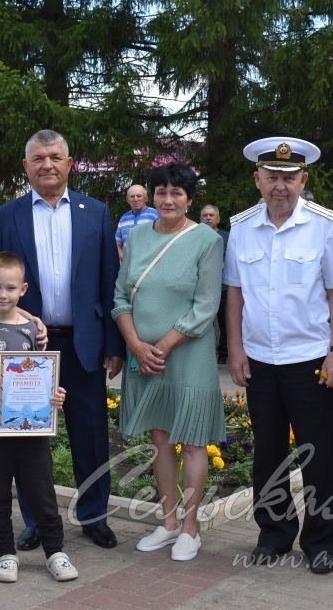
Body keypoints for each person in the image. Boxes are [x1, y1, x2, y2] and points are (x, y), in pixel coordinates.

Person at [0, 129, 124, 551]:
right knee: (27, 438)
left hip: (83, 343)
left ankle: (94, 516)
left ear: (70, 163)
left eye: (55, 156)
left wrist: (114, 345)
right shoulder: (4, 217)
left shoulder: (96, 212)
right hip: (27, 348)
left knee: (90, 434)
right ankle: (34, 521)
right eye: (39, 158)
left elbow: (108, 281)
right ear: (26, 166)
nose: (47, 164)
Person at [224, 136, 333, 575]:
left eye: (289, 178)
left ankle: (321, 541)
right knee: (268, 452)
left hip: (311, 358)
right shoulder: (240, 228)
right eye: (272, 177)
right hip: (260, 359)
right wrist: (235, 350)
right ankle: (274, 534)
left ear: (304, 179)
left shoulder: (326, 226)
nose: (281, 186)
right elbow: (235, 296)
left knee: (318, 454)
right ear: (257, 180)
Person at [113, 163, 225, 561]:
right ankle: (169, 522)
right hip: (143, 356)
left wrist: (160, 346)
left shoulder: (206, 240)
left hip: (188, 355)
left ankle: (191, 530)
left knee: (194, 442)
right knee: (160, 439)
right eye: (161, 192)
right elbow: (121, 297)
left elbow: (206, 307)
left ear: (189, 198)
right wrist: (135, 344)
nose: (167, 199)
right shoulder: (138, 236)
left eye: (176, 193)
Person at [0, 252, 77, 583]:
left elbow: (42, 377)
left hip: (31, 428)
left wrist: (55, 396)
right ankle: (6, 554)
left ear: (22, 290)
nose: (3, 294)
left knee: (42, 493)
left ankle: (56, 553)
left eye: (10, 288)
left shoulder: (32, 331)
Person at [200, 203, 229, 362]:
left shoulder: (227, 236)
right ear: (201, 218)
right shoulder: (195, 236)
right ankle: (206, 353)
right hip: (202, 288)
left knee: (224, 323)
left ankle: (223, 354)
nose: (208, 218)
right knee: (204, 323)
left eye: (211, 215)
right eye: (205, 215)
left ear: (218, 218)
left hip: (223, 287)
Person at [115, 184, 159, 259]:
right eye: (132, 196)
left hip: (150, 266)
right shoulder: (124, 218)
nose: (135, 199)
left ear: (146, 198)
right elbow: (117, 244)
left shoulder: (155, 215)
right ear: (127, 200)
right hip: (128, 267)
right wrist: (125, 260)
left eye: (139, 196)